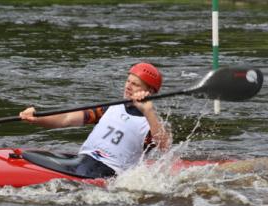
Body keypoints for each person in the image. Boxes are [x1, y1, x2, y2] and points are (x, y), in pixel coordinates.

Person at [19, 62, 172, 178]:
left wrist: (148, 110)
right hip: (83, 161)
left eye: (135, 84)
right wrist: (36, 118)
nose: (128, 87)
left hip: (107, 172)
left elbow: (165, 146)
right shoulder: (109, 108)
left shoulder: (151, 123)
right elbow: (66, 118)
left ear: (149, 91)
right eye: (128, 81)